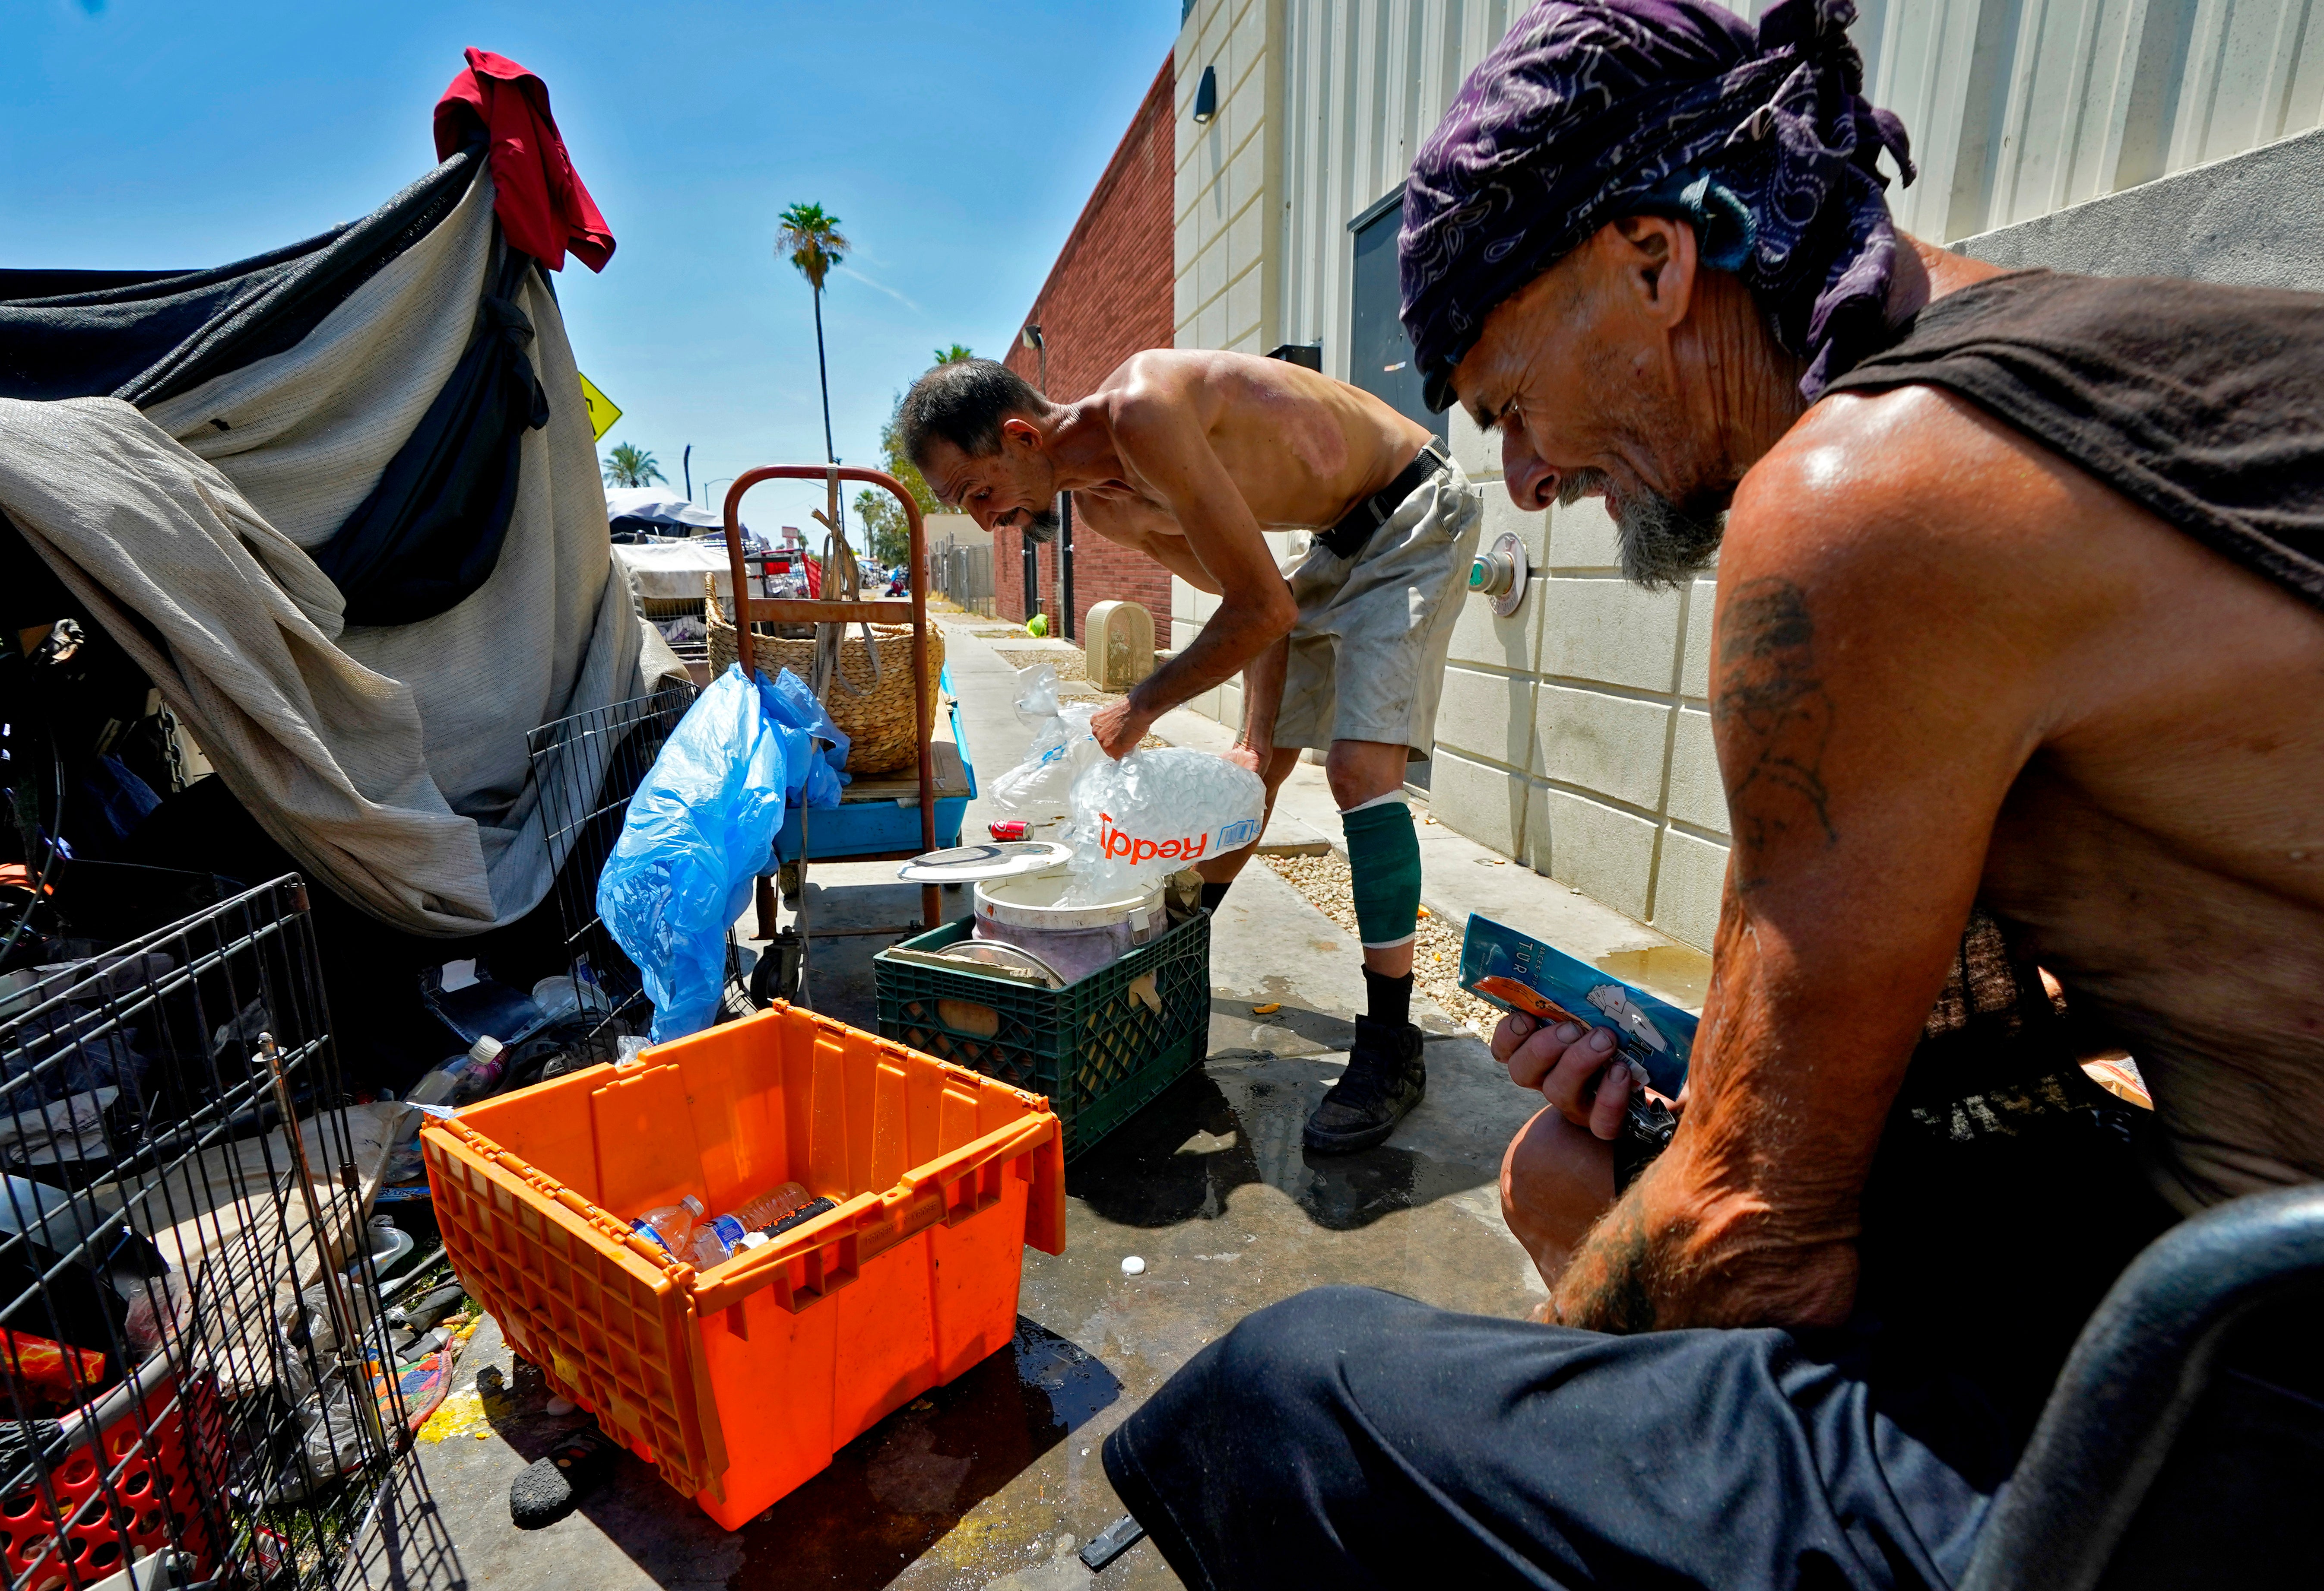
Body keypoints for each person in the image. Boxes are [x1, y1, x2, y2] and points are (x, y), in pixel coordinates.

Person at [1101, 0, 2324, 1584]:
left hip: (2246, 1385)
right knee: (1587, 1170)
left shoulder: (1869, 493)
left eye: (1510, 403)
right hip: (2220, 1268)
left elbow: (1755, 1236)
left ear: (1653, 264)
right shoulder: (2091, 363)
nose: (1525, 479)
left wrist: (1536, 1390)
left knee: (1289, 1393)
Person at [895, 352, 1477, 1150]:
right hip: (1333, 546)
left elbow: (1262, 609)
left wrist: (1139, 707)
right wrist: (1253, 746)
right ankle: (1174, 961)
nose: (986, 521)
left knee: (1357, 772)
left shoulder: (1145, 411)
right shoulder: (1109, 511)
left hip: (1413, 511)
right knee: (1252, 780)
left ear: (1022, 437)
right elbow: (1261, 601)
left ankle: (1391, 1042)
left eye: (977, 493)